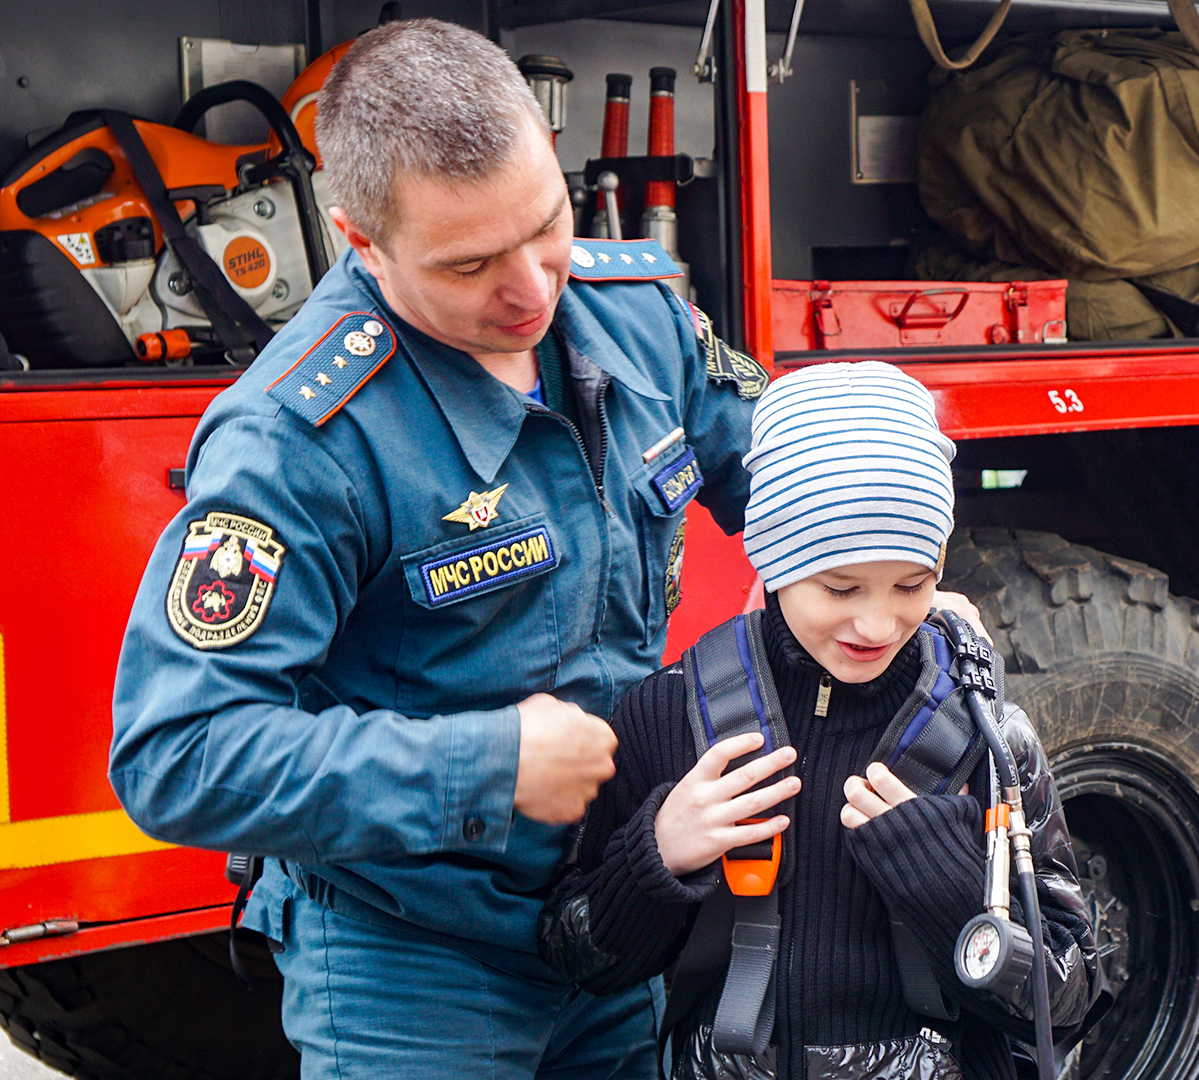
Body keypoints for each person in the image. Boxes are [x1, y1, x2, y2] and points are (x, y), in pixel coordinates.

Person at [108, 19, 762, 1078]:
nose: (533, 290)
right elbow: (175, 754)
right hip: (409, 967)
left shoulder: (638, 316)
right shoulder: (299, 439)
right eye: (468, 265)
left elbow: (788, 478)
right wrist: (486, 765)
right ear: (358, 239)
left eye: (544, 225)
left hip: (625, 909)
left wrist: (908, 581)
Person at [539, 362, 1106, 1080]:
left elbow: (1070, 1004)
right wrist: (659, 854)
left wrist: (956, 893)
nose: (877, 621)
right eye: (840, 587)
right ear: (773, 560)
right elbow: (575, 956)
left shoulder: (983, 737)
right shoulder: (671, 715)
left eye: (913, 584)